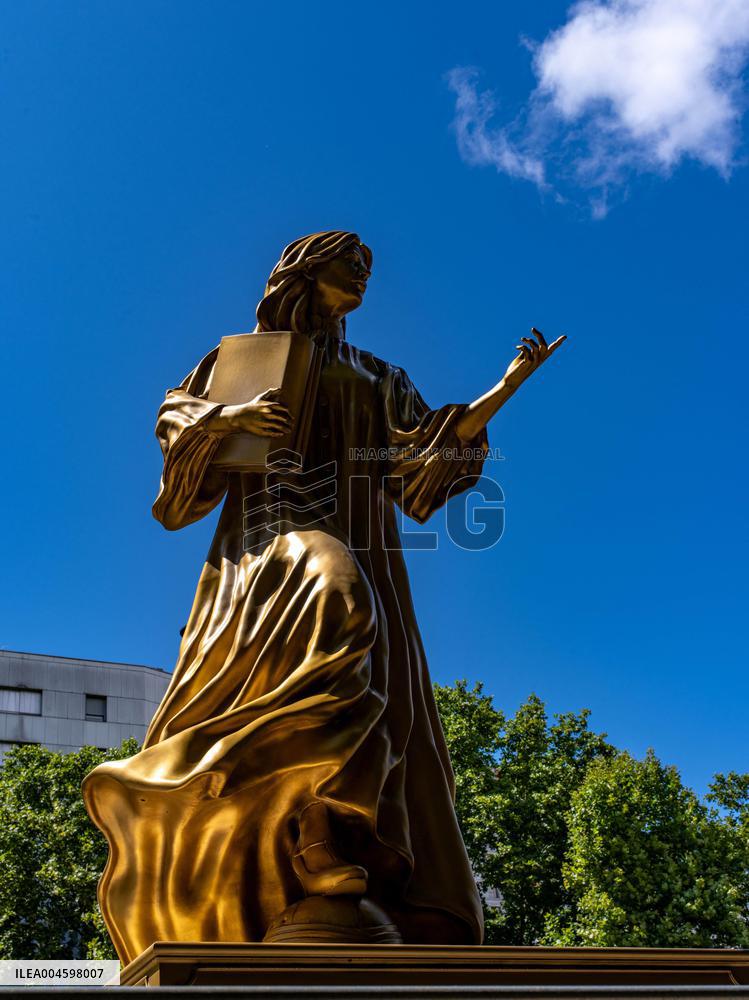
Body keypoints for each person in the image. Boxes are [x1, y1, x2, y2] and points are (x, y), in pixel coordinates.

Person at [83, 231, 565, 963]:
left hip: (360, 538)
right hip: (269, 540)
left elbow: (419, 457)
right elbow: (176, 423)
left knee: (366, 671)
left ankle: (322, 832)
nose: (365, 275)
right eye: (350, 263)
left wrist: (506, 386)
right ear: (304, 272)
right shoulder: (243, 358)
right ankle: (312, 835)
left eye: (370, 267)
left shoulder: (377, 375)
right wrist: (231, 420)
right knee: (342, 604)